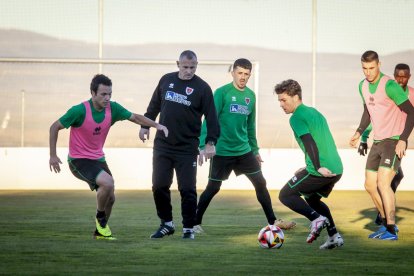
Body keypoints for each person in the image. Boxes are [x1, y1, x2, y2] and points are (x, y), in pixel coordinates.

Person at [49, 74, 168, 240]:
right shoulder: (79, 110)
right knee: (108, 182)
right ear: (92, 93)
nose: (107, 98)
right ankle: (100, 217)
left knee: (111, 198)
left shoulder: (113, 109)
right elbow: (54, 127)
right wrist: (53, 155)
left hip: (98, 159)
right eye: (103, 94)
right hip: (78, 160)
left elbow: (135, 117)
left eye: (110, 94)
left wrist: (156, 125)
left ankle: (101, 232)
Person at [194, 58, 296, 234]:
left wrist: (255, 150)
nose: (243, 77)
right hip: (223, 151)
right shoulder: (222, 93)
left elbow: (250, 126)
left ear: (250, 75)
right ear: (233, 72)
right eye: (239, 73)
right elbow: (209, 119)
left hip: (244, 151)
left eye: (246, 74)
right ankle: (194, 223)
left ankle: (273, 222)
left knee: (260, 183)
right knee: (213, 188)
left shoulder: (251, 96)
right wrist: (204, 144)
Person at [139, 50, 220, 240]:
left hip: (187, 148)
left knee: (187, 189)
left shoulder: (202, 88)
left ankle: (188, 228)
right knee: (159, 186)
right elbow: (153, 106)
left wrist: (210, 142)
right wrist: (145, 125)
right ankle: (166, 223)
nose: (189, 71)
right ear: (178, 64)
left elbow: (212, 118)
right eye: (185, 67)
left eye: (192, 67)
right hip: (163, 145)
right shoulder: (166, 80)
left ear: (196, 65)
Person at [349, 51, 414, 241]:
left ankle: (392, 230)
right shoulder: (362, 86)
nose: (368, 73)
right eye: (364, 68)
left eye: (371, 68)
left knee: (383, 183)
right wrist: (360, 132)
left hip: (393, 141)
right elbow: (367, 111)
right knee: (369, 185)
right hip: (377, 141)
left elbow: (411, 112)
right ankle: (386, 224)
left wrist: (403, 139)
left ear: (379, 65)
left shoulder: (390, 86)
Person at [274, 79, 344, 250]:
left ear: (296, 97)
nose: (281, 105)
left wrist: (317, 166)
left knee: (285, 195)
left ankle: (316, 219)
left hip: (320, 169)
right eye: (279, 101)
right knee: (312, 199)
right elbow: (320, 141)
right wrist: (309, 165)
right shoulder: (314, 112)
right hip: (336, 168)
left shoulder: (296, 117)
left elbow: (309, 142)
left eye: (283, 100)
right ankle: (334, 235)